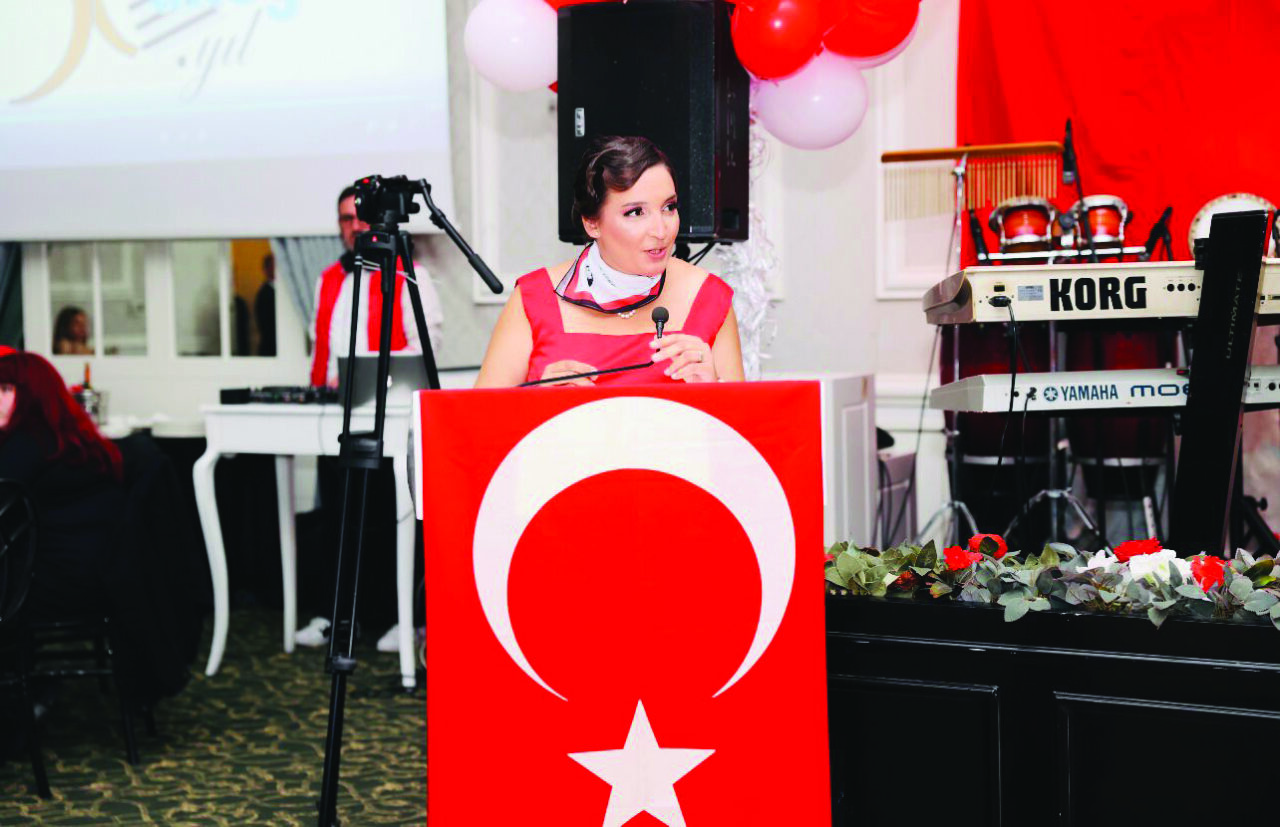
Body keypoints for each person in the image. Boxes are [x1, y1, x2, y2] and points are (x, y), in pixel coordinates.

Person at [0, 350, 195, 704]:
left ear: (32, 394)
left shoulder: (26, 445)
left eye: (4, 388)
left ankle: (16, 696)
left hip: (53, 582)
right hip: (100, 575)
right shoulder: (71, 438)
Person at [476, 135, 744, 388]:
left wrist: (715, 389)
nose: (661, 231)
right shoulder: (534, 298)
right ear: (592, 223)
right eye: (636, 212)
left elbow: (739, 420)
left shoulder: (710, 297)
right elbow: (479, 418)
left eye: (669, 207)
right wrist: (537, 403)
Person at [309, 186, 445, 387]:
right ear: (339, 224)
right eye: (347, 219)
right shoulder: (326, 278)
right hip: (328, 399)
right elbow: (318, 349)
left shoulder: (410, 275)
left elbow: (425, 348)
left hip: (387, 398)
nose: (355, 226)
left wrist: (364, 378)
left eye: (362, 217)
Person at [255, 253, 277, 356]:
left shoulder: (283, 293)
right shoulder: (264, 294)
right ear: (267, 270)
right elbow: (266, 327)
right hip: (271, 349)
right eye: (273, 266)